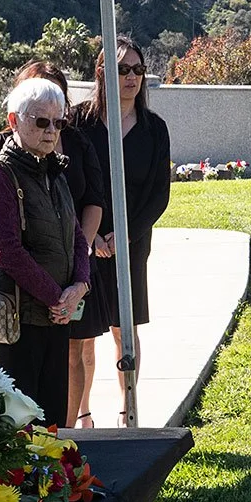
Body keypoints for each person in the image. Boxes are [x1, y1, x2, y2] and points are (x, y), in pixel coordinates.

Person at [0, 78, 91, 425]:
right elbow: (6, 251)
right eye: (41, 121)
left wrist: (79, 287)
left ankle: (53, 481)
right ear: (14, 121)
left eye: (59, 122)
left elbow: (76, 236)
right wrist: (57, 297)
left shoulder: (55, 171)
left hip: (57, 316)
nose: (51, 130)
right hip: (17, 320)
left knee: (52, 417)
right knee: (19, 420)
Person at [68, 36, 169, 425]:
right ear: (102, 72)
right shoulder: (78, 122)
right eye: (122, 69)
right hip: (83, 242)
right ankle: (83, 414)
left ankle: (129, 411)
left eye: (138, 70)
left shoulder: (154, 129)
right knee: (83, 334)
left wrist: (124, 235)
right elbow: (68, 184)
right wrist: (89, 235)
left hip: (132, 242)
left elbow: (159, 194)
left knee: (124, 329)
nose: (131, 77)